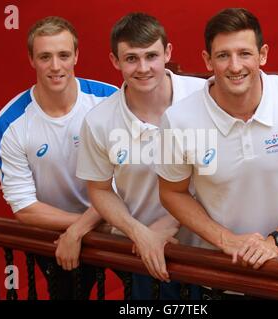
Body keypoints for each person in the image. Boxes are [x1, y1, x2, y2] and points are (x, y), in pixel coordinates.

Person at [156, 8, 278, 299]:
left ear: (262, 55)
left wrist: (277, 241)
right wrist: (226, 240)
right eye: (223, 55)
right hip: (219, 275)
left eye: (244, 53)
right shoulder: (177, 120)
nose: (235, 66)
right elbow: (171, 192)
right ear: (207, 60)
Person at [74, 12, 205, 299]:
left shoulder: (206, 96)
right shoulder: (99, 121)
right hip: (148, 256)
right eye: (131, 58)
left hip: (211, 250)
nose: (143, 68)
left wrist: (170, 223)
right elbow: (99, 189)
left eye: (151, 56)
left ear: (167, 52)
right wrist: (140, 233)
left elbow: (221, 171)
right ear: (115, 61)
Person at [0, 16, 118, 299]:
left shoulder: (110, 100)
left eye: (63, 55)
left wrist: (82, 229)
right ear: (31, 60)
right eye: (45, 56)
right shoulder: (11, 122)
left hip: (121, 223)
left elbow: (127, 180)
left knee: (154, 294)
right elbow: (24, 207)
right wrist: (79, 227)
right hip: (60, 229)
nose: (55, 66)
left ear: (76, 56)